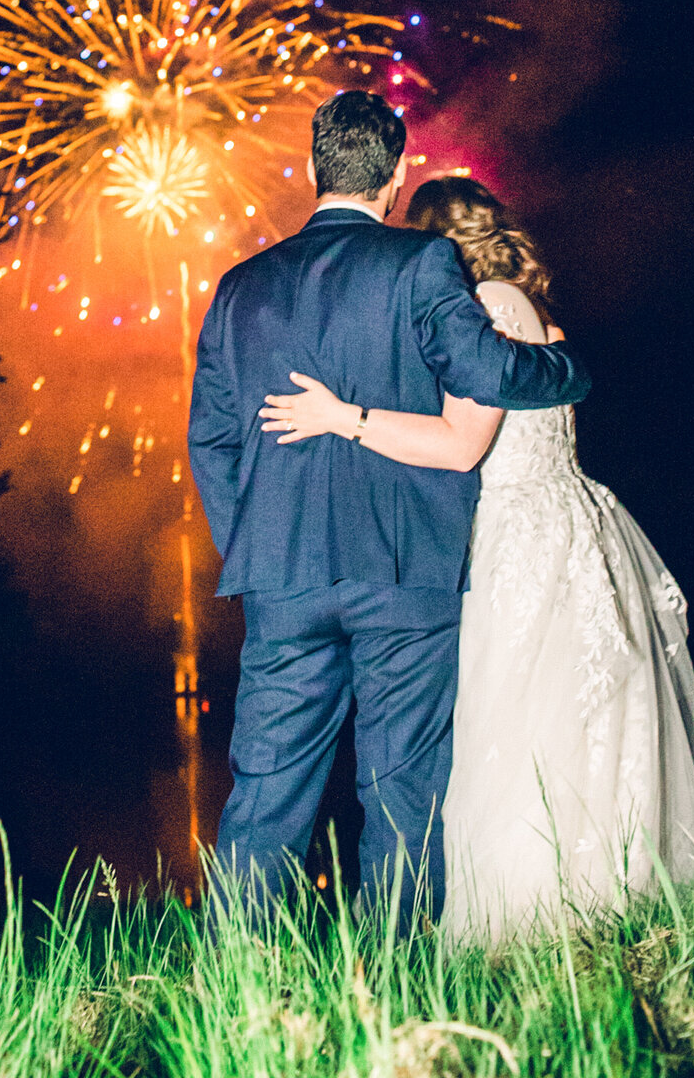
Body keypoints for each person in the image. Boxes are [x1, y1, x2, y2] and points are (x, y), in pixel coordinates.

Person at [260, 175, 694, 938]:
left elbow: (460, 445)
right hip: (560, 524)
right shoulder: (523, 307)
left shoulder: (489, 312)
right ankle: (602, 914)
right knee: (569, 718)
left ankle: (530, 921)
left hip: (517, 538)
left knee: (518, 726)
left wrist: (345, 418)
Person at [187, 92, 591, 919]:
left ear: (311, 170)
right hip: (405, 571)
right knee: (403, 793)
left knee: (264, 793)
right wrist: (569, 370)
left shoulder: (239, 288)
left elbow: (213, 442)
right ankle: (398, 987)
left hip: (282, 580)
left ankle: (237, 989)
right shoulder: (420, 266)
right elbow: (493, 373)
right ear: (397, 176)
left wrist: (257, 547)